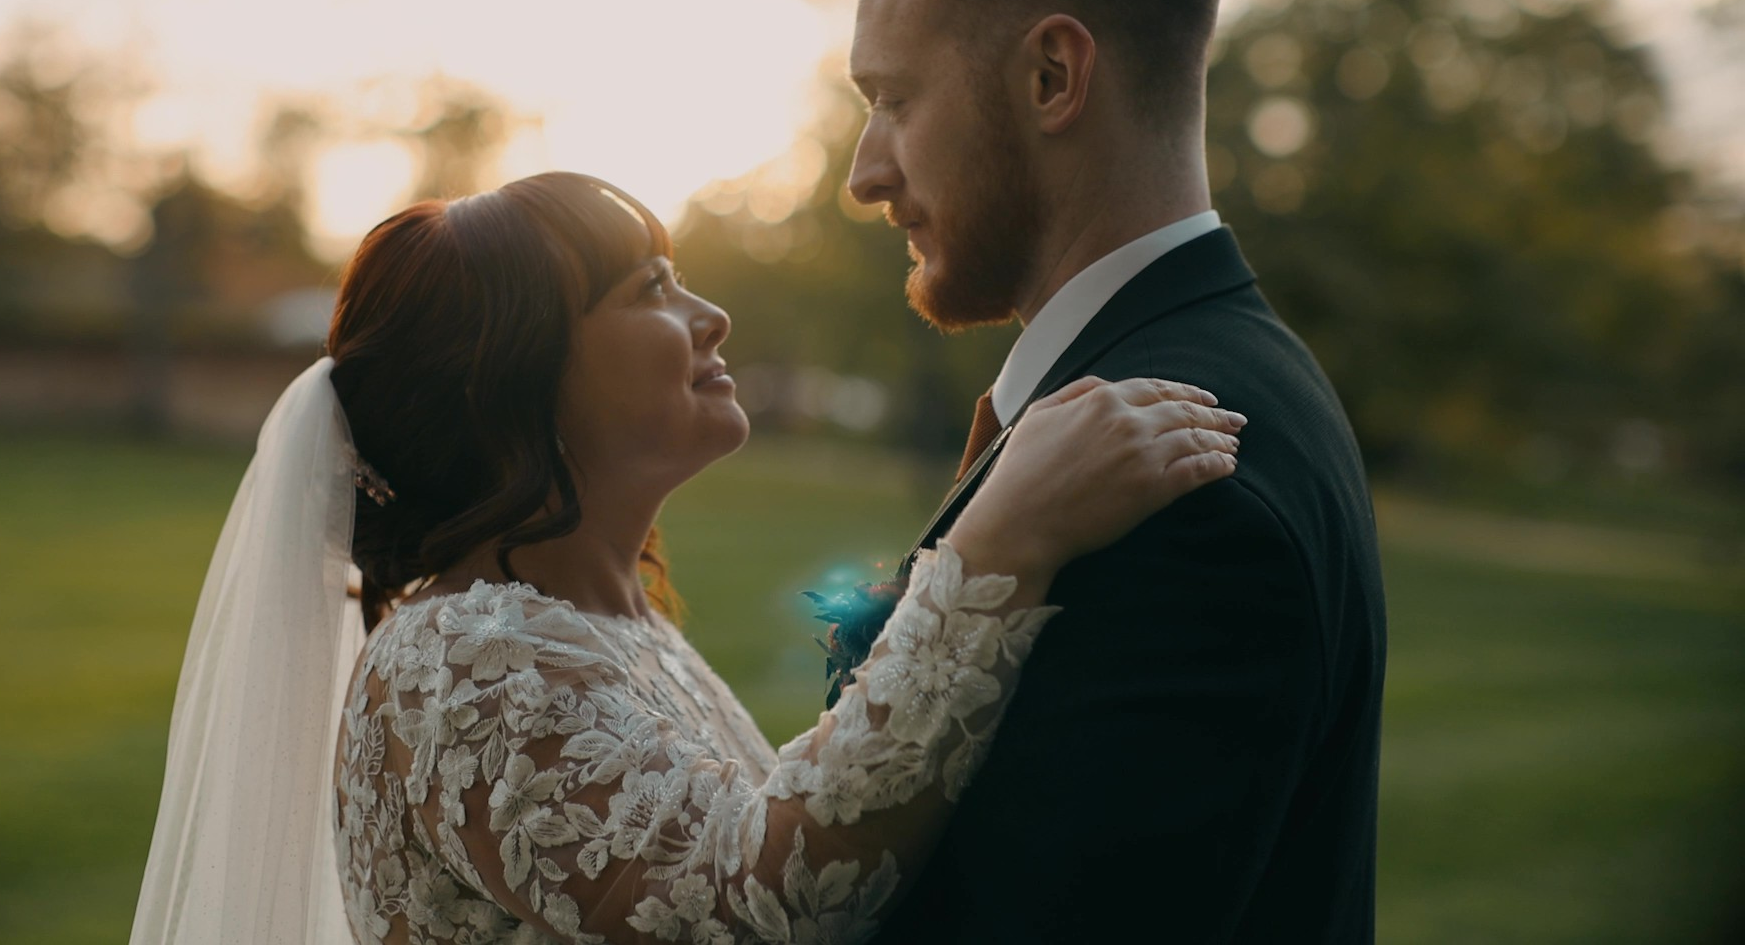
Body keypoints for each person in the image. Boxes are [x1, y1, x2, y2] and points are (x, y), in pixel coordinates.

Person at [128, 170, 1246, 945]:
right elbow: (763, 908)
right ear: (518, 380)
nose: (710, 316)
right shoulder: (460, 665)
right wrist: (1004, 543)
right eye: (650, 291)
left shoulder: (609, 627)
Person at [826, 0, 1388, 942]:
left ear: (1050, 75)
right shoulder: (1210, 374)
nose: (864, 172)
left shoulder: (1183, 485)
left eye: (895, 100)